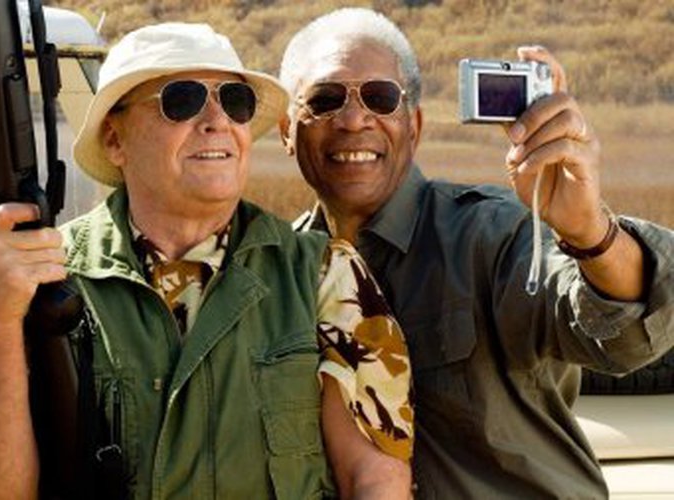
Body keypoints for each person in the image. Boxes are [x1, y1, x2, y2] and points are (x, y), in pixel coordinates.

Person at [0, 23, 414, 499]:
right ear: (115, 139)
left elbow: (374, 478)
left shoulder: (323, 274)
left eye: (235, 101)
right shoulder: (41, 277)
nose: (217, 121)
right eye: (182, 100)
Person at [279, 7, 674, 499]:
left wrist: (590, 232)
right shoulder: (279, 273)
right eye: (325, 99)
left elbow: (619, 338)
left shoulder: (490, 234)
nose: (354, 119)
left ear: (414, 125)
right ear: (287, 130)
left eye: (380, 98)